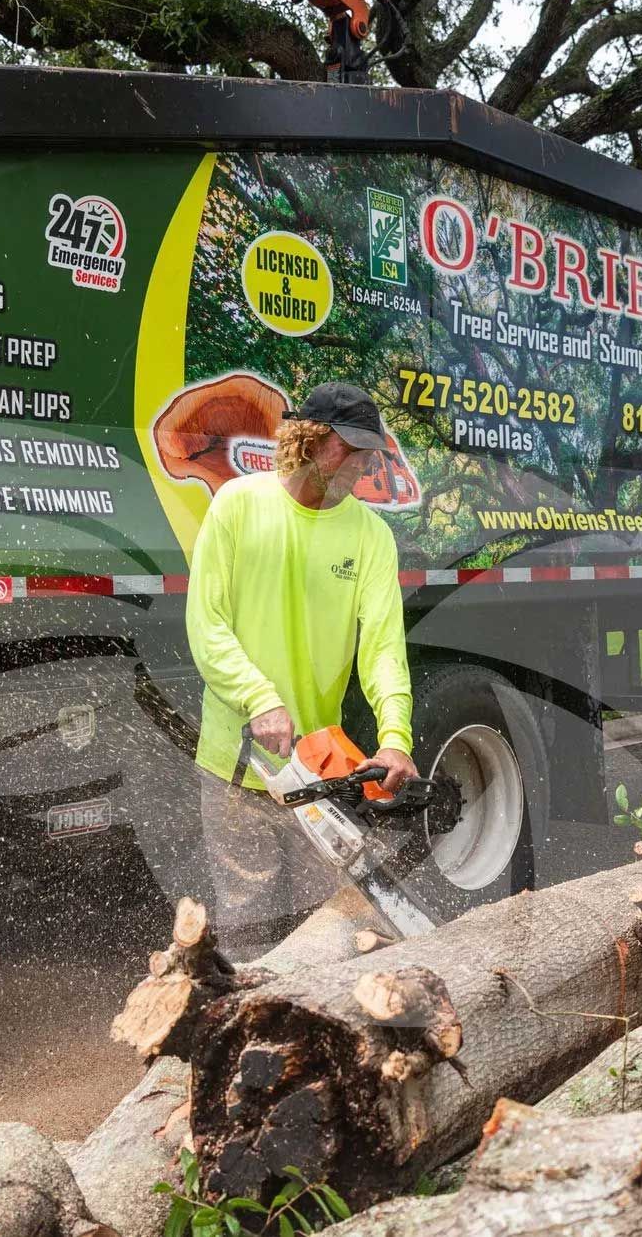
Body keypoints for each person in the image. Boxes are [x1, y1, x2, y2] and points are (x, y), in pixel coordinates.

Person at [184, 382, 417, 950]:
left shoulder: (370, 535)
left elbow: (383, 648)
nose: (361, 463)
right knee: (249, 926)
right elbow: (206, 624)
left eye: (368, 451)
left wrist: (395, 738)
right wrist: (258, 696)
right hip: (239, 760)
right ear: (310, 441)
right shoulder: (238, 505)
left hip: (320, 767)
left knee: (329, 928)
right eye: (350, 447)